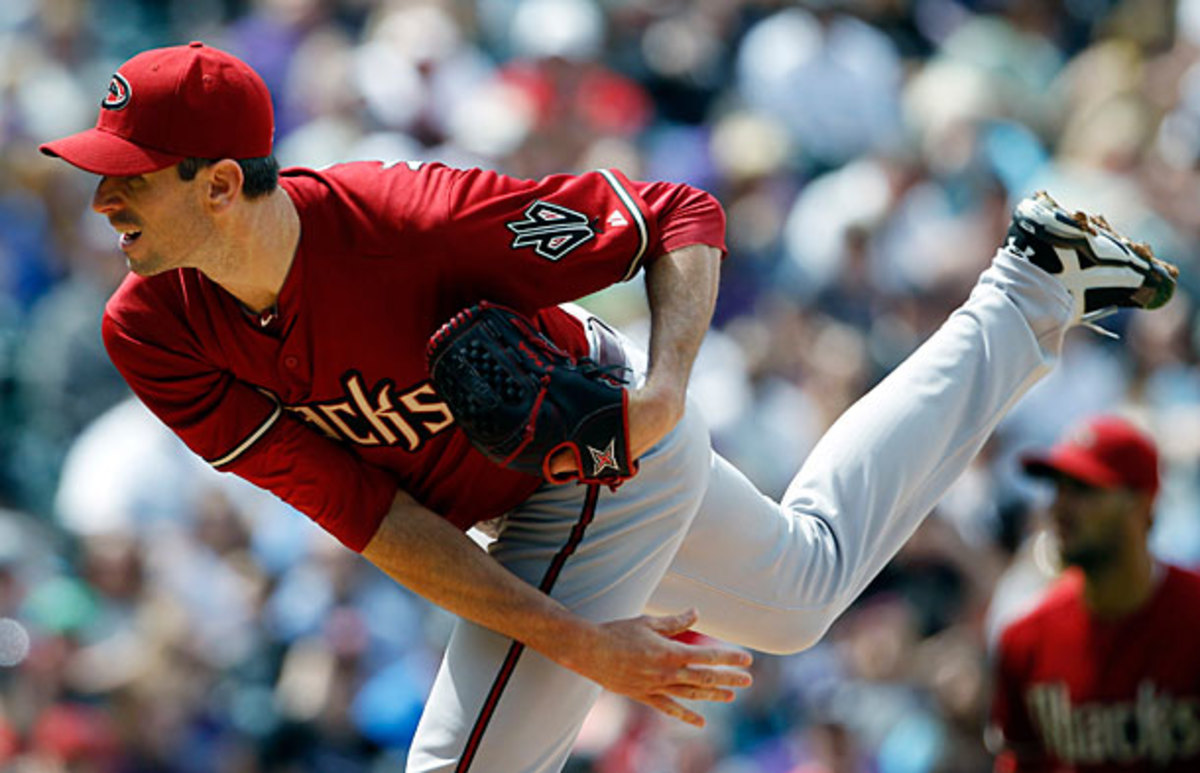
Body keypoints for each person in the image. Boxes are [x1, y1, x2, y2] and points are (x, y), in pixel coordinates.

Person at [39, 42, 1177, 773]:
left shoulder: (413, 222)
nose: (101, 197)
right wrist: (586, 645)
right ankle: (1033, 283)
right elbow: (372, 517)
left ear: (222, 184)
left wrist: (670, 384)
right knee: (800, 589)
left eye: (128, 175)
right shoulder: (151, 328)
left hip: (598, 455)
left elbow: (675, 213)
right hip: (506, 503)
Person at [988, 415, 1200, 772]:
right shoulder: (1026, 640)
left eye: (1083, 490)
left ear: (1143, 505)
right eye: (1057, 488)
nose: (1059, 508)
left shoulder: (1193, 617)